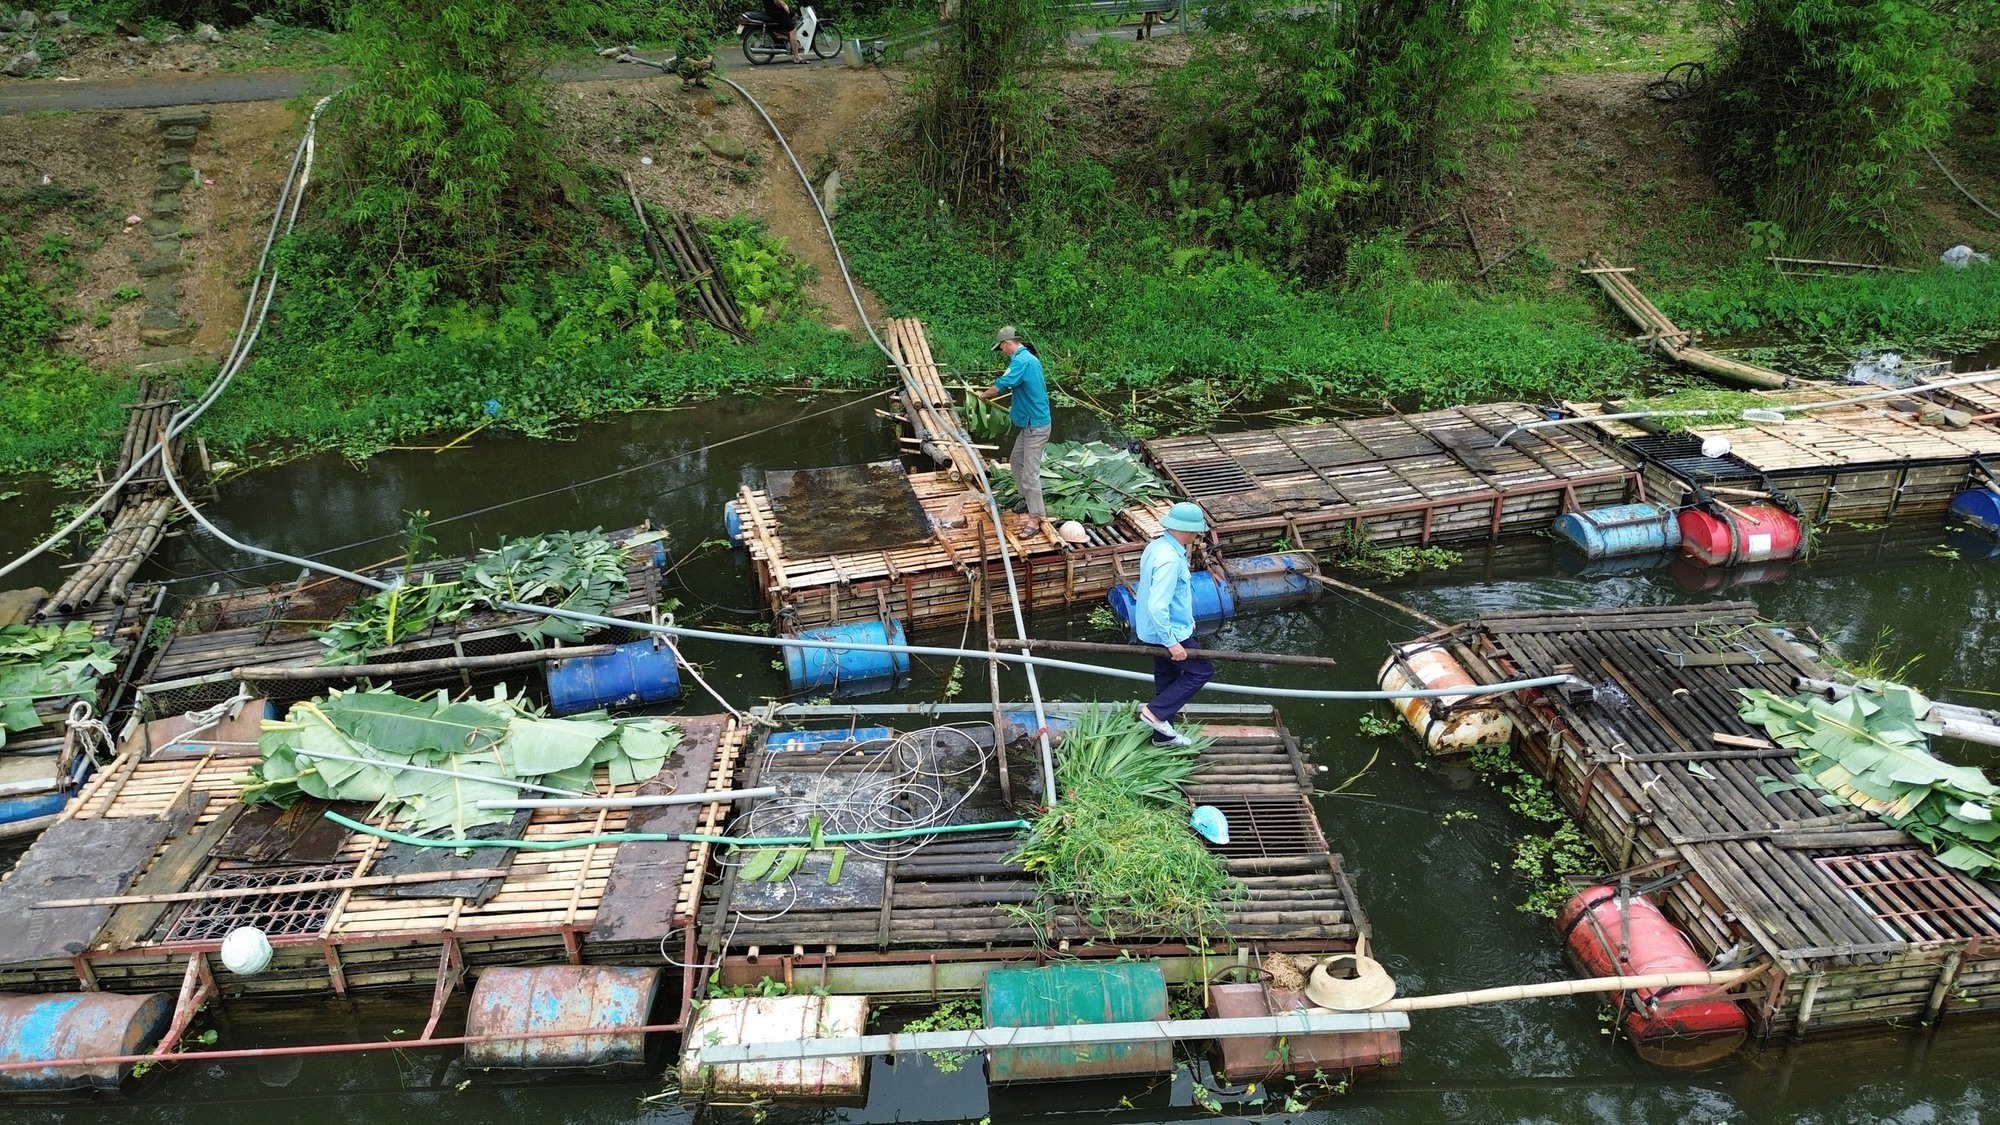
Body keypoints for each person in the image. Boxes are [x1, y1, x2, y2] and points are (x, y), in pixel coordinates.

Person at [1132, 501, 1216, 746]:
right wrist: (1172, 642)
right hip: (1167, 632)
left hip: (1155, 628)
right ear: (1188, 531)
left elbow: (1164, 594)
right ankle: (1154, 712)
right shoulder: (1170, 558)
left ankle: (1161, 737)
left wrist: (1187, 617)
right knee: (1202, 671)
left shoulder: (1156, 546)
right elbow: (1158, 605)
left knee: (1167, 678)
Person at [977, 325, 1052, 538]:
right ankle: (1026, 499)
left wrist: (982, 395)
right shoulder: (1026, 359)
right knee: (1015, 460)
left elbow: (1001, 386)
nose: (1002, 352)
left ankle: (1035, 519)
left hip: (1036, 426)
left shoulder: (1021, 361)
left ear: (1007, 343)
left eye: (1001, 348)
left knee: (1030, 474)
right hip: (1029, 423)